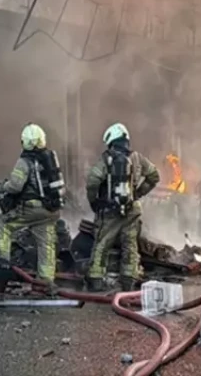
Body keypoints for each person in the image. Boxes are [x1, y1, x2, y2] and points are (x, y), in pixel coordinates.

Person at [86, 123, 160, 292]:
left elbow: (92, 181)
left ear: (111, 140)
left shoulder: (107, 158)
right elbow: (154, 176)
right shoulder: (137, 158)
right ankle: (128, 280)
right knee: (130, 245)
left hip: (110, 211)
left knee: (102, 243)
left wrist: (95, 201)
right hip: (132, 209)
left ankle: (96, 280)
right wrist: (138, 193)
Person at [0, 123, 66, 294]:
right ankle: (45, 282)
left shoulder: (25, 161)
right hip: (51, 210)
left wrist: (3, 187)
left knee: (1, 224)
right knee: (46, 244)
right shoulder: (50, 159)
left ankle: (2, 261)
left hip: (32, 208)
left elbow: (16, 186)